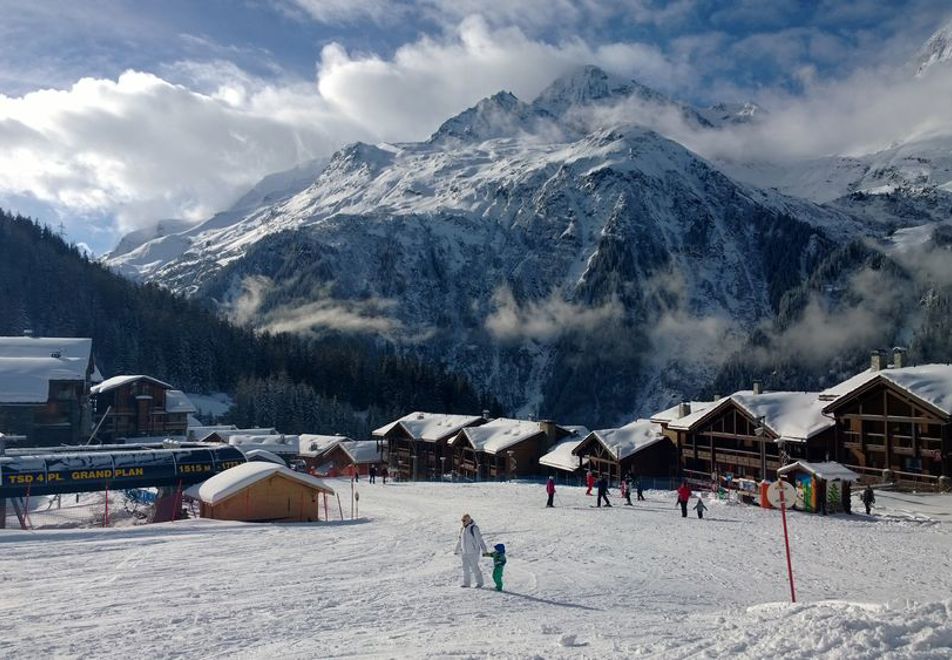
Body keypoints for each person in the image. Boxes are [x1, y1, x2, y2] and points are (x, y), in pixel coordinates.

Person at [454, 513, 488, 587]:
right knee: (465, 569)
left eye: (464, 520)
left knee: (475, 567)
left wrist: (484, 550)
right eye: (462, 520)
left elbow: (480, 540)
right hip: (464, 552)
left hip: (473, 552)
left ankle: (480, 583)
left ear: (469, 520)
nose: (463, 522)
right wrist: (456, 550)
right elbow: (460, 540)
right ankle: (467, 583)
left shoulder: (474, 528)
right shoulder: (462, 529)